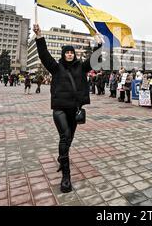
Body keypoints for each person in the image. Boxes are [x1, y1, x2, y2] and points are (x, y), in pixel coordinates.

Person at [33, 23, 102, 193]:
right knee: (65, 137)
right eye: (67, 52)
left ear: (74, 54)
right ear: (63, 54)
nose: (69, 54)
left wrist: (99, 44)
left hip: (75, 110)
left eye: (71, 52)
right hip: (60, 108)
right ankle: (66, 176)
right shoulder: (56, 68)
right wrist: (39, 35)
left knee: (69, 138)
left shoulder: (81, 67)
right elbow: (44, 55)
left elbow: (95, 60)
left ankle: (62, 156)